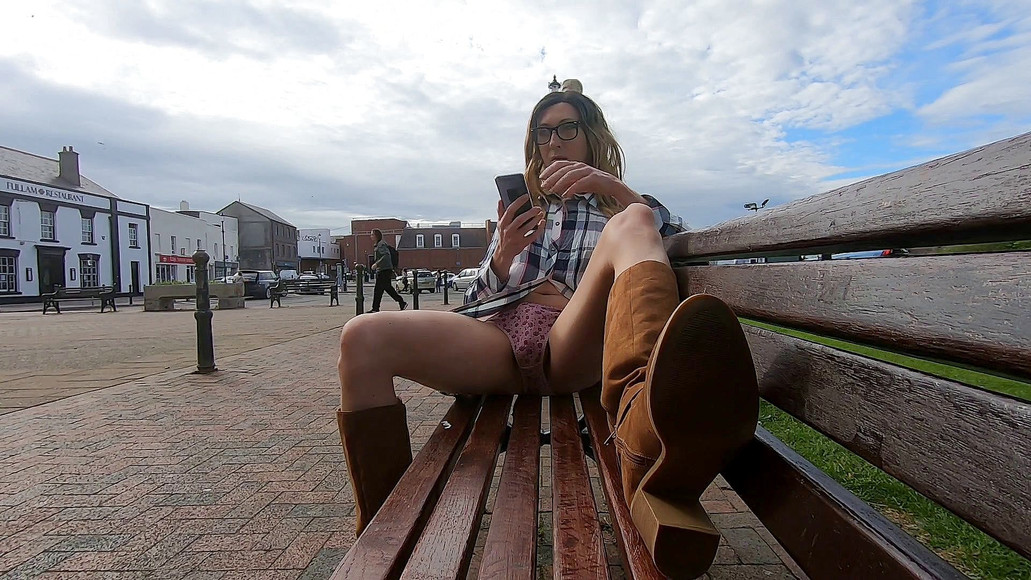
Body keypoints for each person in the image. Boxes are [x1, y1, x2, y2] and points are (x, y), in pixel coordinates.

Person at [336, 79, 758, 577]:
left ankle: (644, 430)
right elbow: (476, 300)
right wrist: (503, 254)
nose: (553, 142)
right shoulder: (525, 210)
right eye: (543, 132)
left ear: (593, 136)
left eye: (566, 129)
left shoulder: (620, 208)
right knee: (361, 337)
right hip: (501, 340)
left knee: (634, 221)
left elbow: (666, 242)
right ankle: (384, 531)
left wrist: (613, 191)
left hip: (570, 344)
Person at [368, 229, 407, 313]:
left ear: (376, 235)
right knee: (386, 288)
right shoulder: (379, 244)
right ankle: (401, 302)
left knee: (379, 289)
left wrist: (376, 264)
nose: (371, 236)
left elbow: (386, 255)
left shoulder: (381, 244)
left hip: (384, 270)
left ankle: (376, 308)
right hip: (384, 269)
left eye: (372, 235)